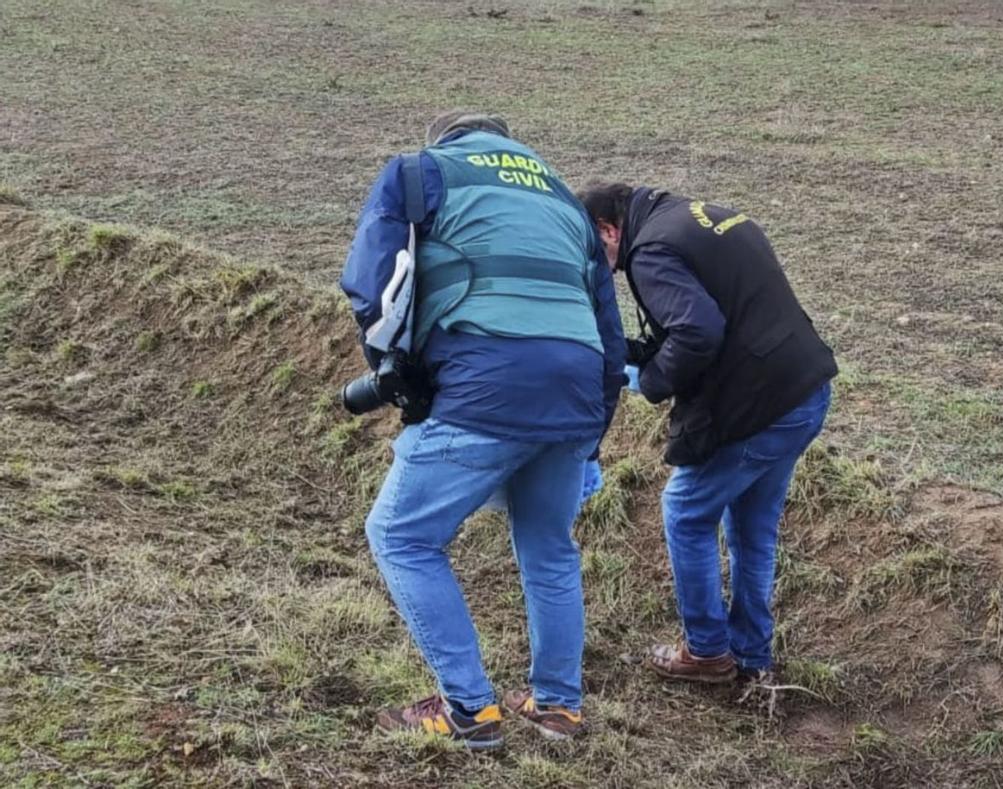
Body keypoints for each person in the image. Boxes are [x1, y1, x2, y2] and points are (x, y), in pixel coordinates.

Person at [340, 112, 625, 749]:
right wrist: (590, 438)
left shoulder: (419, 172)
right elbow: (610, 333)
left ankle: (468, 709)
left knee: (401, 535)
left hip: (486, 380)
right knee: (549, 546)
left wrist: (395, 371)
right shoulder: (562, 198)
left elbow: (373, 285)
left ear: (449, 139)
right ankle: (558, 706)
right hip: (578, 389)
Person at [579, 182, 837, 683]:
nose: (599, 267)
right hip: (804, 391)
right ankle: (752, 656)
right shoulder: (700, 216)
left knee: (686, 512)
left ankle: (706, 652)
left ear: (608, 230)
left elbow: (698, 331)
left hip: (760, 406)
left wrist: (652, 381)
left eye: (592, 249)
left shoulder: (651, 252)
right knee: (752, 529)